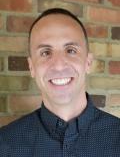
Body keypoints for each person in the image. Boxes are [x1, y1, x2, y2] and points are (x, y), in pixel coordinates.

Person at [0, 8, 120, 157]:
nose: (58, 65)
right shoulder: (5, 144)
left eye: (70, 50)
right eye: (45, 52)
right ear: (32, 67)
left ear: (88, 62)